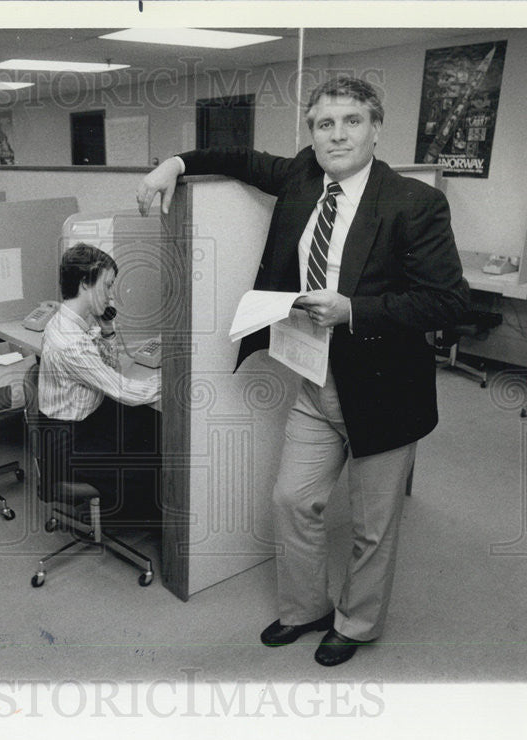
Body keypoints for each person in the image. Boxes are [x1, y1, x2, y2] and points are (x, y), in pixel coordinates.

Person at [137, 76, 469, 666]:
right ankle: (304, 607)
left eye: (351, 121)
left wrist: (354, 309)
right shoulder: (300, 176)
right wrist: (174, 163)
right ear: (310, 133)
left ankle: (357, 623)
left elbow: (447, 302)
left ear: (375, 128)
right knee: (293, 500)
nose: (337, 135)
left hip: (386, 391)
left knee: (371, 527)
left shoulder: (414, 203)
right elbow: (235, 158)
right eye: (324, 124)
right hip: (315, 379)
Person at [38, 243, 162, 521]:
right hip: (69, 446)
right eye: (107, 286)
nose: (110, 296)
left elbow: (109, 370)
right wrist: (172, 379)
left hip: (81, 425)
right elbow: (125, 391)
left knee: (151, 425)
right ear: (85, 283)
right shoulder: (71, 343)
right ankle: (151, 523)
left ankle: (130, 506)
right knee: (156, 453)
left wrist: (107, 332)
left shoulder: (66, 323)